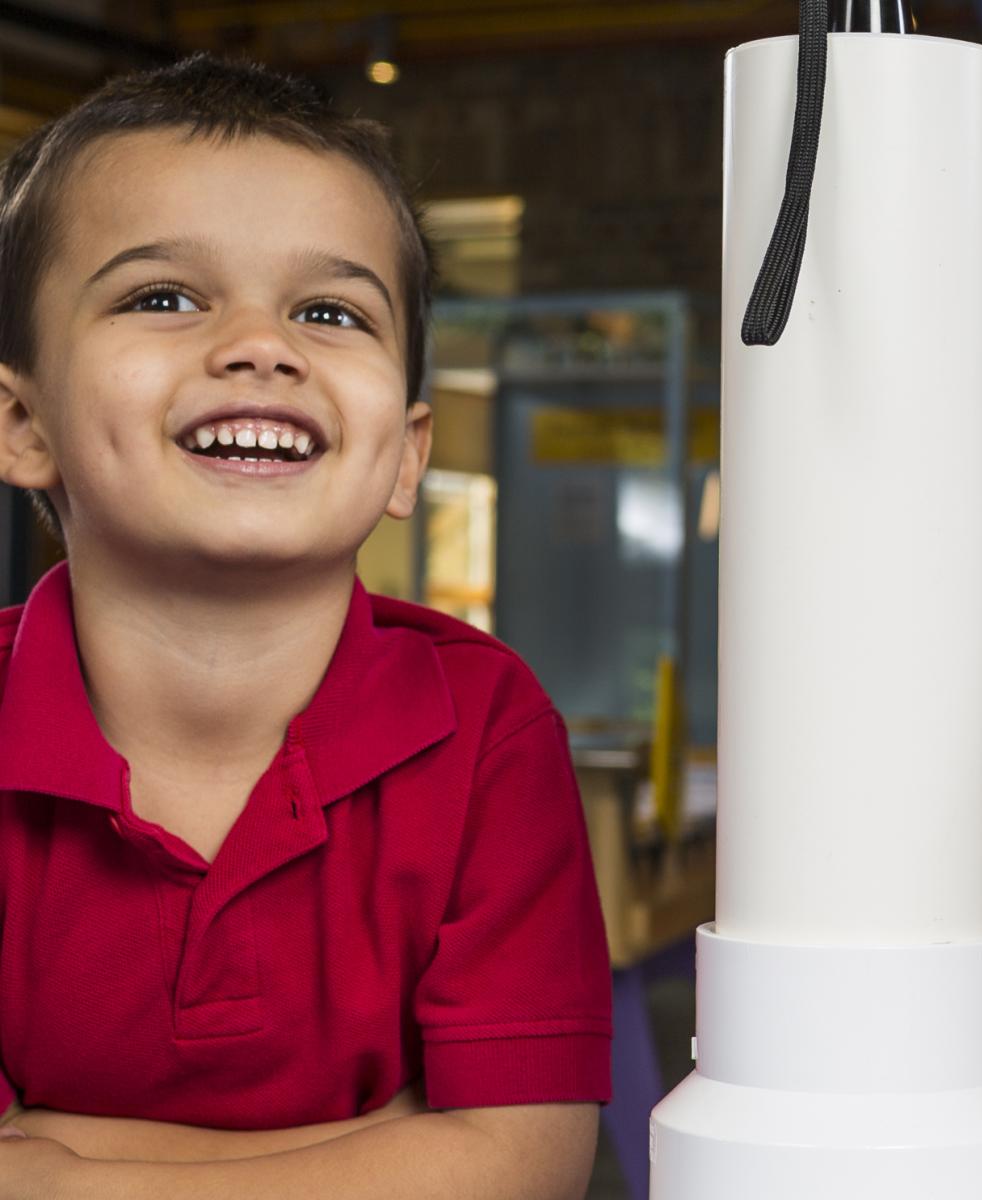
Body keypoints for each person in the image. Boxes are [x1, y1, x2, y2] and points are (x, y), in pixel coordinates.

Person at [0, 53, 610, 1199]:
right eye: (163, 296)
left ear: (408, 455)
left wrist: (61, 1158)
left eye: (329, 311)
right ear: (22, 421)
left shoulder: (487, 727)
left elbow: (523, 1169)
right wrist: (391, 1142)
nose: (258, 345)